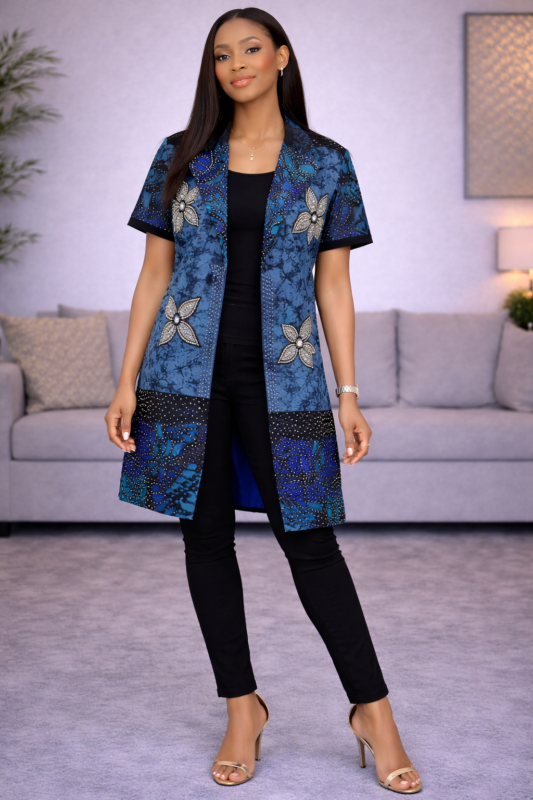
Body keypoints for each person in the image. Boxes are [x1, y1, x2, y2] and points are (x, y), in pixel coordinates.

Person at [105, 7, 421, 794]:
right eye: (221, 54)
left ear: (280, 57)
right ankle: (241, 708)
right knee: (205, 540)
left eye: (250, 49)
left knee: (310, 543)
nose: (236, 64)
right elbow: (153, 274)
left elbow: (334, 286)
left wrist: (348, 394)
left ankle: (373, 712)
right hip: (183, 376)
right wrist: (125, 380)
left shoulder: (326, 163)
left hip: (287, 380)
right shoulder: (181, 155)